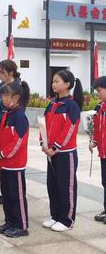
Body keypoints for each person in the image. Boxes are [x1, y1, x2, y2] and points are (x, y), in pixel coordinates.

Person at [41, 70, 83, 232]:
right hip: (50, 152)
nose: (53, 84)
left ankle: (67, 219)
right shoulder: (52, 104)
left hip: (65, 154)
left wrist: (56, 147)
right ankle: (56, 216)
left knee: (66, 186)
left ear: (67, 84)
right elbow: (43, 124)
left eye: (57, 81)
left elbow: (69, 129)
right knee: (53, 185)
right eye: (53, 81)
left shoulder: (71, 106)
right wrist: (43, 143)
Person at [0, 80, 30, 238]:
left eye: (7, 95)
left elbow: (19, 140)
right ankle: (10, 221)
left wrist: (4, 153)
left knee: (17, 195)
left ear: (16, 98)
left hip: (15, 164)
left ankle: (21, 225)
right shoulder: (6, 115)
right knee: (7, 195)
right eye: (3, 95)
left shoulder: (20, 117)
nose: (4, 99)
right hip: (4, 163)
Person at [0, 60, 21, 204]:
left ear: (10, 72)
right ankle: (0, 189)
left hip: (7, 126)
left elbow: (9, 111)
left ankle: (6, 191)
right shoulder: (1, 86)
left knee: (6, 157)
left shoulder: (17, 87)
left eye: (2, 72)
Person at [90, 76, 106, 224]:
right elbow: (97, 127)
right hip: (103, 152)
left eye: (99, 91)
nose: (97, 94)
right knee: (105, 181)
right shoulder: (101, 108)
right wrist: (94, 141)